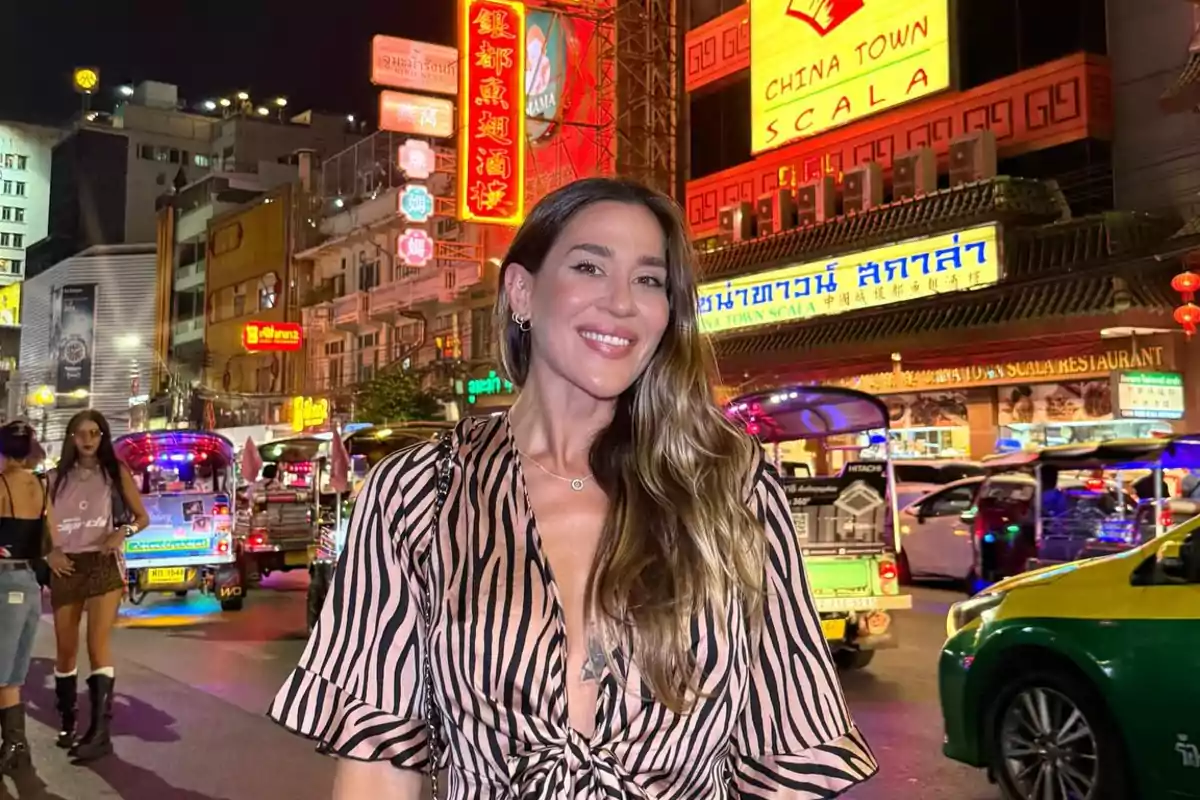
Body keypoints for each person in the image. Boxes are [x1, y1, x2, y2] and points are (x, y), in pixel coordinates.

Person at [269, 178, 877, 798]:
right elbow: (377, 768)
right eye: (590, 267)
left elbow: (788, 765)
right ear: (522, 291)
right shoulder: (417, 494)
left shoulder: (731, 493)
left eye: (649, 280)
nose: (622, 303)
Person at [48, 410, 149, 761]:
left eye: (95, 432)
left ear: (103, 437)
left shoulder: (115, 473)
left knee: (97, 644)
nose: (88, 439)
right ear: (71, 439)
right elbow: (39, 525)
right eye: (81, 433)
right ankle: (67, 720)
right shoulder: (54, 478)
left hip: (103, 564)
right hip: (66, 566)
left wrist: (124, 532)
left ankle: (100, 731)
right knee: (65, 648)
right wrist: (50, 553)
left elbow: (142, 517)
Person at [0, 422, 72, 775]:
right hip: (30, 584)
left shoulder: (2, 485)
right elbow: (52, 540)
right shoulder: (42, 486)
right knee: (11, 675)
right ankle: (16, 746)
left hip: (4, 580)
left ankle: (14, 745)